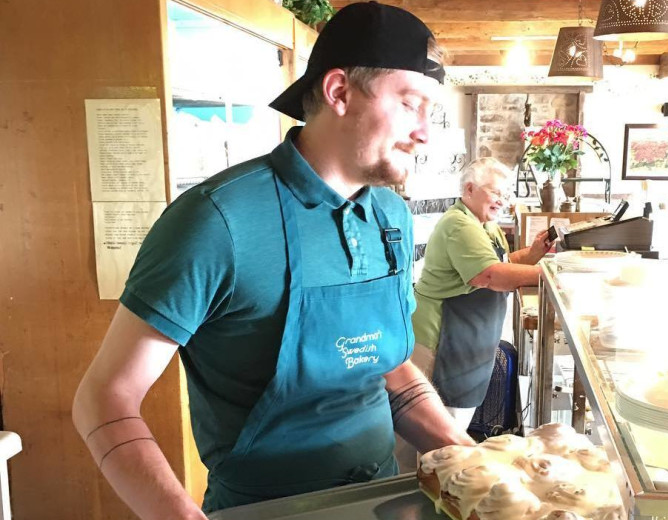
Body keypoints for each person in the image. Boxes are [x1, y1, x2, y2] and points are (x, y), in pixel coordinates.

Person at [72, 3, 474, 518]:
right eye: (411, 104)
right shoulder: (219, 221)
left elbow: (391, 372)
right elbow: (104, 399)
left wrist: (471, 459)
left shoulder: (390, 216)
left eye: (430, 113)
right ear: (339, 92)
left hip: (381, 502)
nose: (425, 132)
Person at [410, 157, 551, 428]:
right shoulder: (460, 225)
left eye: (505, 194)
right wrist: (554, 276)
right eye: (496, 192)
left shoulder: (485, 224)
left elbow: (501, 262)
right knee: (438, 435)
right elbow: (490, 275)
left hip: (466, 342)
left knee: (451, 428)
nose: (502, 200)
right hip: (441, 342)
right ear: (469, 189)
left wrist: (534, 254)